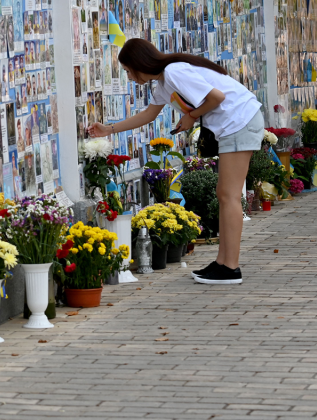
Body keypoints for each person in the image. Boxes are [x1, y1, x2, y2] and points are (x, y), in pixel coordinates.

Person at [87, 39, 263, 285]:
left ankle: (230, 267)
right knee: (225, 194)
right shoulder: (162, 82)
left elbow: (217, 97)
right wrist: (108, 129)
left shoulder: (173, 71)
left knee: (229, 195)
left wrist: (190, 116)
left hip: (240, 120)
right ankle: (223, 263)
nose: (128, 77)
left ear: (139, 63)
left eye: (128, 70)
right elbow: (149, 114)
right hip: (235, 124)